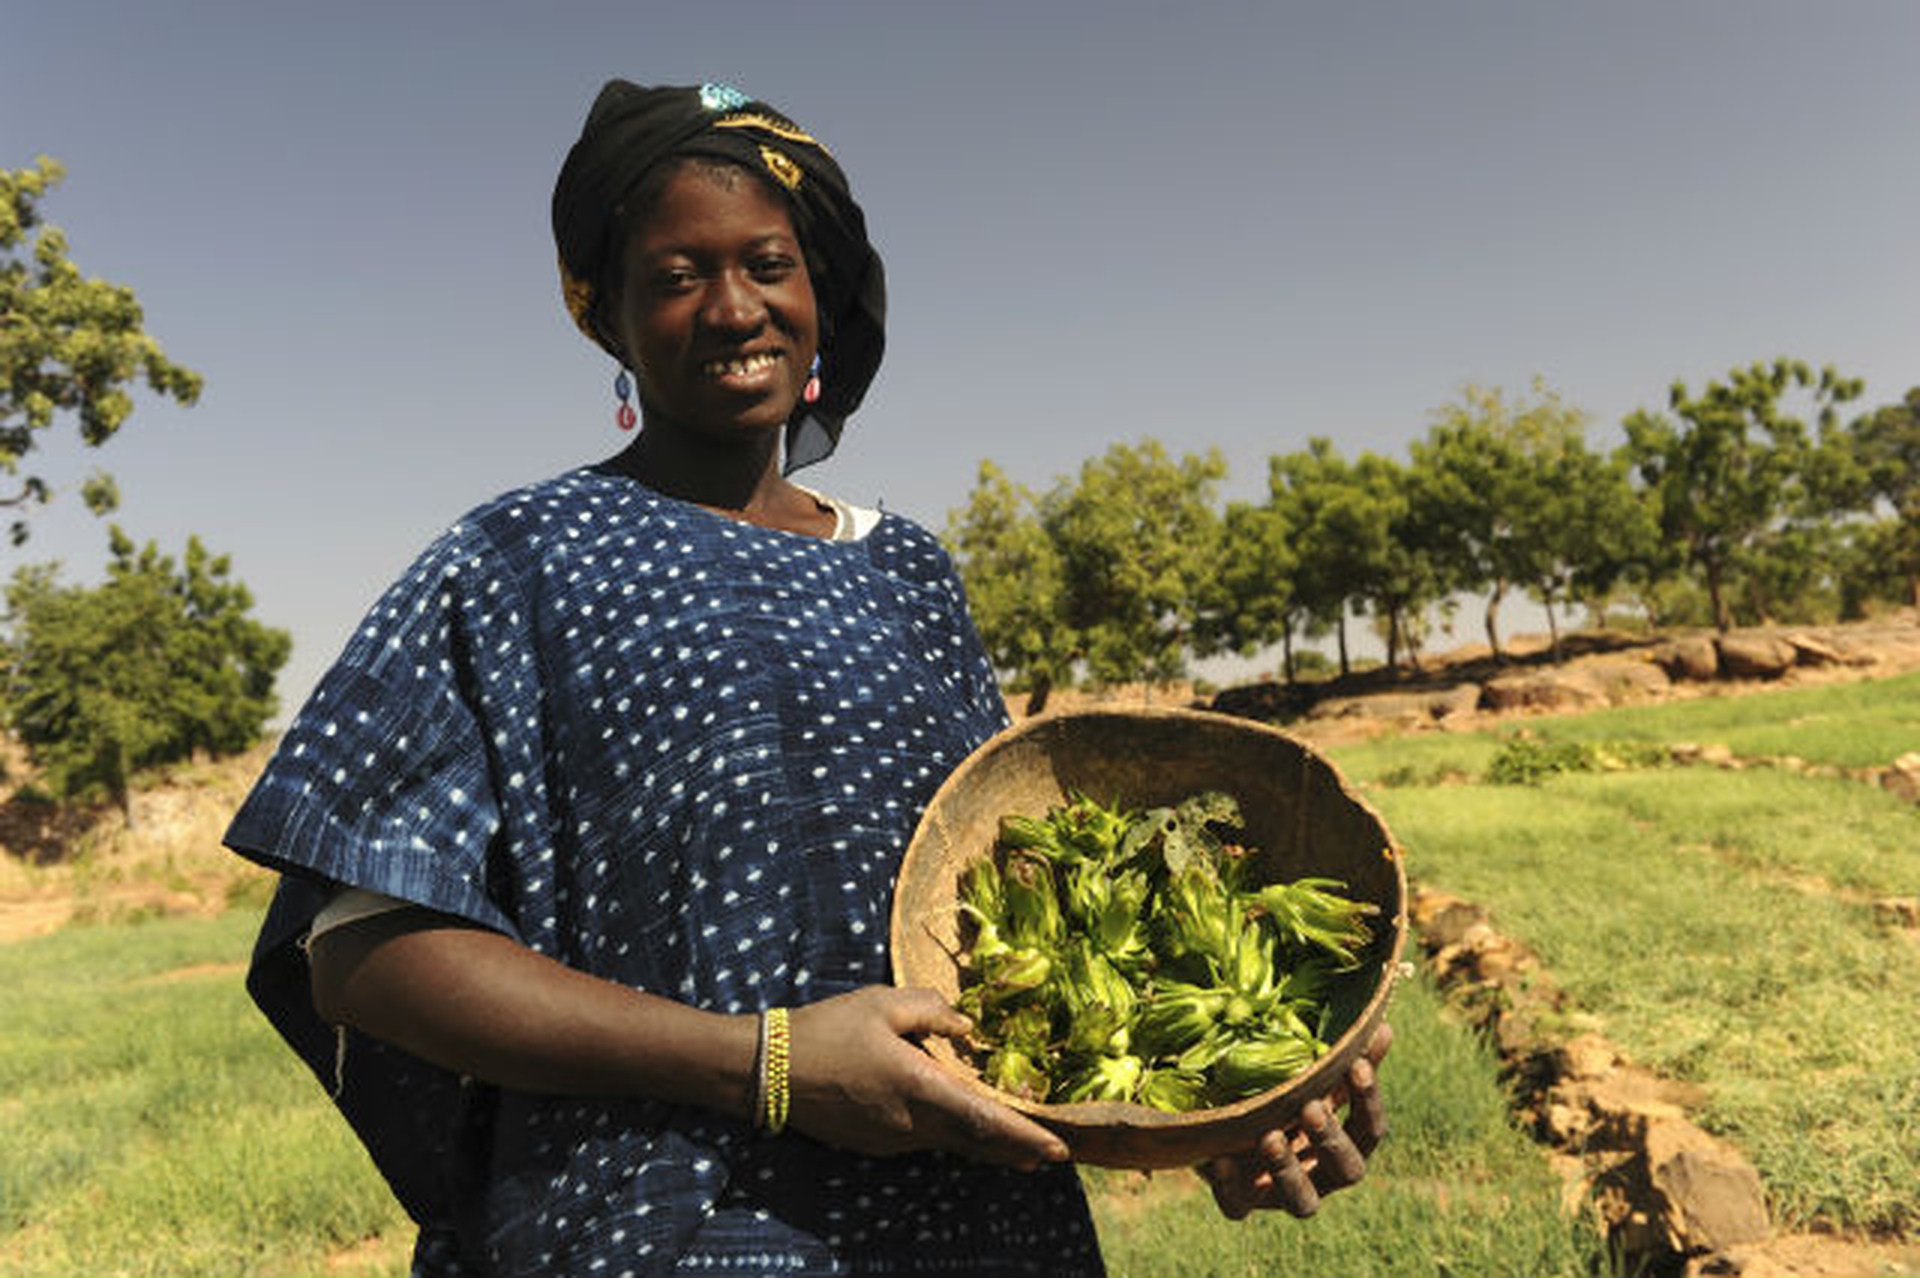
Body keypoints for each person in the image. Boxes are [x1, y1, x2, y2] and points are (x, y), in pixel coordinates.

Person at [226, 79, 1391, 1278]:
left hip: (982, 1236)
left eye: (768, 265)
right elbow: (361, 954)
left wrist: (1212, 1105)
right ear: (609, 319)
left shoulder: (911, 573)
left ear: (820, 296)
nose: (734, 310)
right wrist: (769, 1060)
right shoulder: (521, 561)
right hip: (658, 1229)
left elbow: (1012, 922)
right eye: (677, 277)